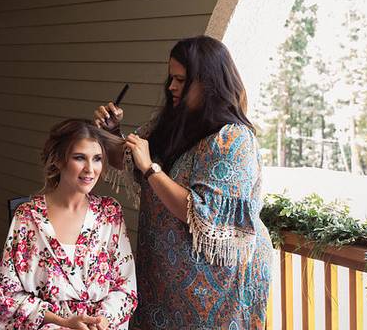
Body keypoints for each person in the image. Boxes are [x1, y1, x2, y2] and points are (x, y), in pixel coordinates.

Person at [94, 35, 272, 330]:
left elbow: (205, 215)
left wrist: (152, 169)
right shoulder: (169, 123)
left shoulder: (233, 139)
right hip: (163, 275)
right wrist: (112, 132)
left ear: (209, 82)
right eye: (171, 78)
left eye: (181, 80)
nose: (172, 87)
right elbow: (127, 159)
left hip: (217, 285)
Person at [0, 120, 138, 330]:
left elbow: (125, 288)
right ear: (59, 160)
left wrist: (102, 321)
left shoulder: (110, 214)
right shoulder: (27, 217)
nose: (90, 169)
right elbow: (9, 296)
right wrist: (62, 323)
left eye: (97, 159)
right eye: (79, 158)